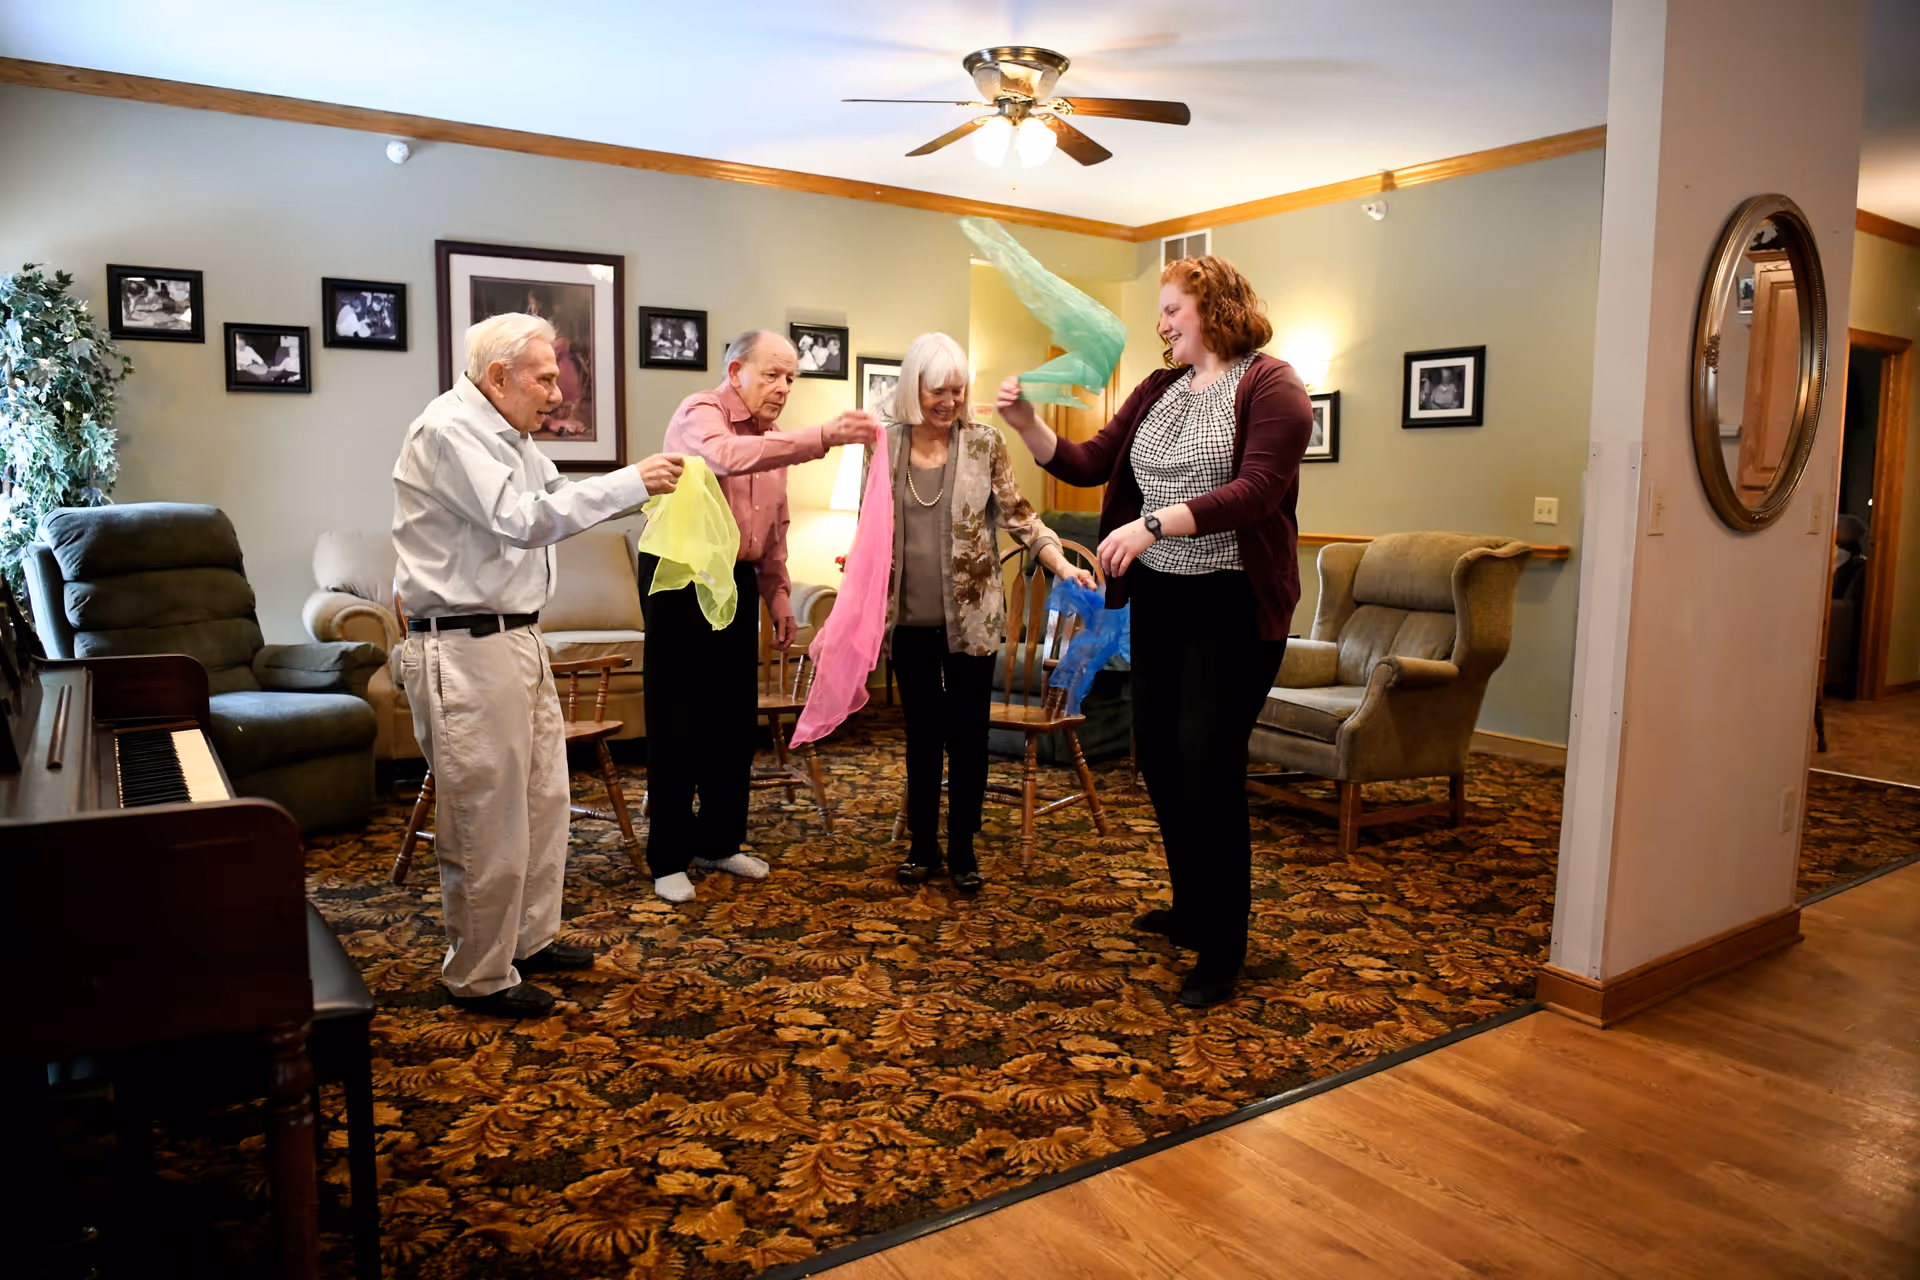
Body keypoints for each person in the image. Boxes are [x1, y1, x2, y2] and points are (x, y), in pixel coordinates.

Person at [997, 255, 1312, 1008]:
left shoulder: (1274, 387)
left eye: (1173, 308)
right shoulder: (1160, 388)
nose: (1162, 322)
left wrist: (1152, 524)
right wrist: (1027, 424)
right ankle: (1193, 909)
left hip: (1234, 608)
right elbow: (1086, 463)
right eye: (1161, 311)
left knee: (1208, 767)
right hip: (1164, 602)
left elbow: (1257, 493)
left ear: (1216, 307)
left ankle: (1225, 946)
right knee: (1164, 767)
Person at [392, 311, 685, 1018]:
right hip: (464, 648)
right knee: (485, 819)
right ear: (499, 375)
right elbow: (522, 520)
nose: (559, 393)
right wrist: (631, 483)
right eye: (546, 377)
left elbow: (551, 500)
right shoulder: (449, 431)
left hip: (517, 640)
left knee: (544, 801)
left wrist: (639, 499)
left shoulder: (512, 439)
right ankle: (479, 975)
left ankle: (529, 939)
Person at [648, 330, 879, 903]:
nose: (783, 388)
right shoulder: (699, 413)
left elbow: (773, 531)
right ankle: (667, 857)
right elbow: (724, 455)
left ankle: (719, 842)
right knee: (680, 719)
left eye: (791, 378)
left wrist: (778, 597)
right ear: (735, 373)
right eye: (772, 375)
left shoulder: (775, 443)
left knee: (732, 719)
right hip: (682, 576)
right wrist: (822, 437)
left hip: (738, 577)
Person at [881, 333, 1094, 893]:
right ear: (913, 389)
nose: (949, 401)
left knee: (968, 737)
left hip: (972, 621)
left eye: (958, 390)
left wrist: (1060, 565)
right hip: (906, 620)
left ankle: (963, 851)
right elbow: (871, 524)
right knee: (922, 734)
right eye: (937, 391)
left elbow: (1022, 518)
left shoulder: (985, 444)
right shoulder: (883, 446)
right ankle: (922, 847)